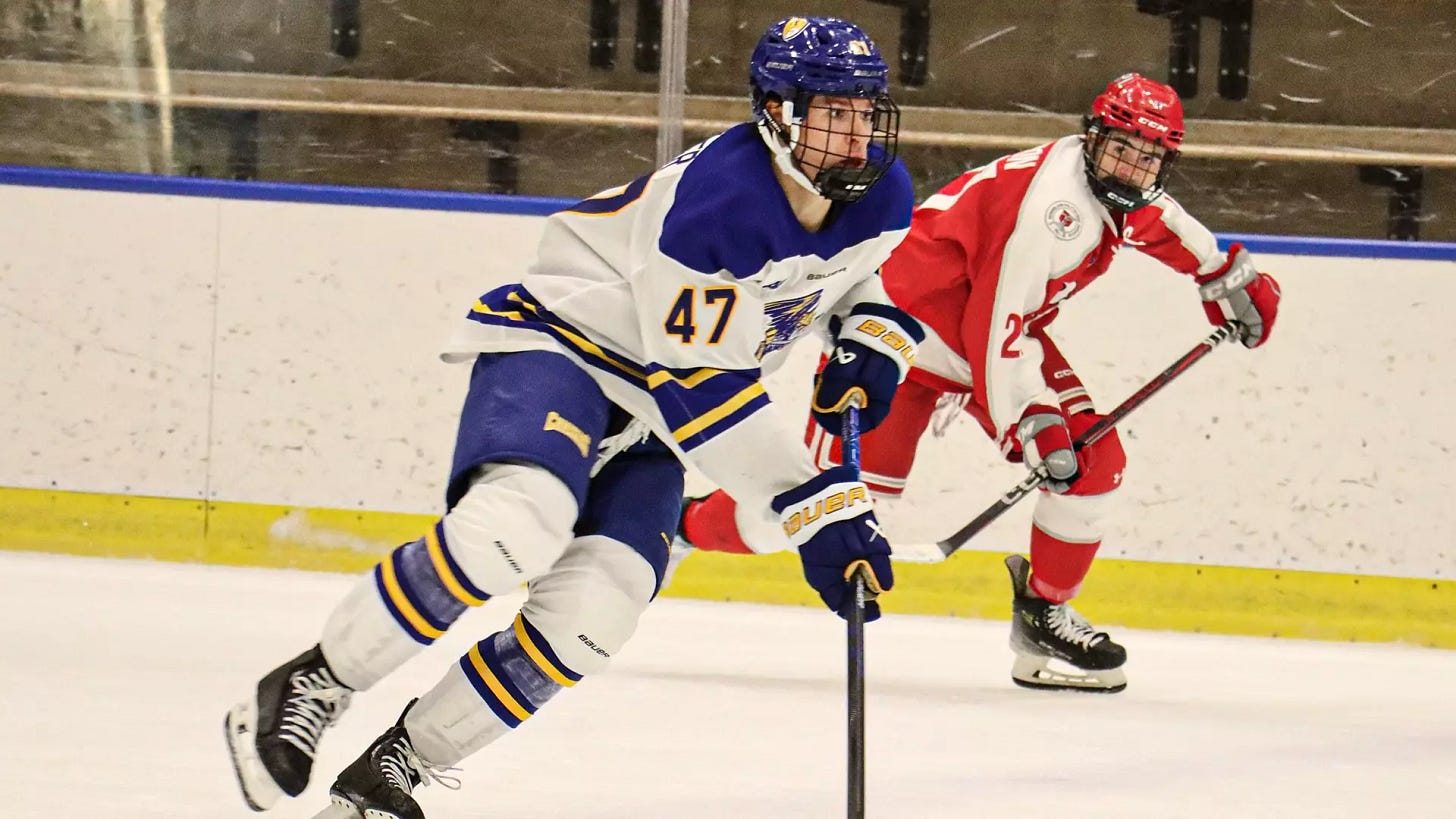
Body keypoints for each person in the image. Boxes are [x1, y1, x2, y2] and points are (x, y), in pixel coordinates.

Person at [223, 15, 925, 818]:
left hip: (654, 414)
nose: (857, 134)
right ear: (776, 111)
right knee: (514, 527)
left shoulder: (883, 192)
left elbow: (845, 280)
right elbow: (703, 390)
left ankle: (388, 776)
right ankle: (316, 678)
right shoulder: (715, 205)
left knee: (599, 611)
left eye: (867, 112)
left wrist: (873, 335)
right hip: (566, 352)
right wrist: (815, 507)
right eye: (834, 112)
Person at [675, 73, 1283, 693]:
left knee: (1094, 457)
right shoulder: (1053, 210)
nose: (1130, 166)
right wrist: (1029, 421)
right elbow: (998, 327)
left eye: (1147, 155)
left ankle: (1043, 615)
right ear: (1093, 138)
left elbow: (1158, 220)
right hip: (897, 336)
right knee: (828, 506)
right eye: (1121, 147)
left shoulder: (1114, 185)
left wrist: (1221, 271)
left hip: (977, 334)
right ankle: (683, 526)